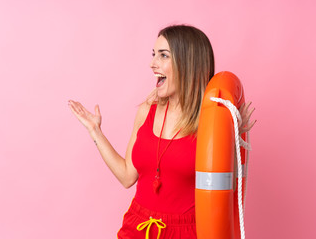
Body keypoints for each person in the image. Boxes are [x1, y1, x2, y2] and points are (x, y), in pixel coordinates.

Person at [68, 25, 255, 239]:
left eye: (163, 56)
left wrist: (231, 140)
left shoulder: (211, 123)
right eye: (153, 54)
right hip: (138, 227)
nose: (152, 64)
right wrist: (95, 131)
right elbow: (127, 176)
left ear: (188, 64)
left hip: (187, 232)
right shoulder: (146, 110)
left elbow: (224, 196)